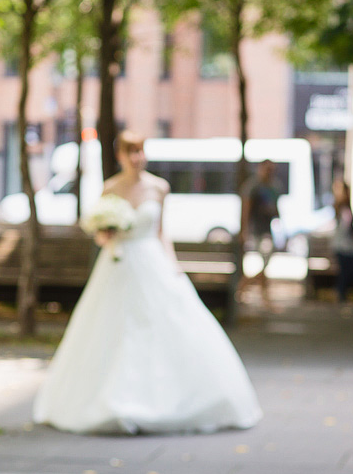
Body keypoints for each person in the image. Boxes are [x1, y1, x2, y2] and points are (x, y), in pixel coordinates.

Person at [33, 131, 262, 435]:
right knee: (112, 329)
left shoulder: (159, 187)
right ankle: (110, 400)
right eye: (131, 152)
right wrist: (107, 233)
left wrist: (173, 263)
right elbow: (101, 234)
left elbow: (161, 232)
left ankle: (174, 400)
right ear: (121, 156)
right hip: (119, 263)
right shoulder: (110, 188)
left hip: (151, 260)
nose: (137, 158)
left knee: (168, 323)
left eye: (141, 151)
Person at [238, 159, 281, 307]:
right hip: (255, 231)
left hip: (267, 230)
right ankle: (249, 291)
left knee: (264, 264)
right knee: (259, 264)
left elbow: (277, 210)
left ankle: (244, 289)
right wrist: (244, 230)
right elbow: (246, 209)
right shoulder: (253, 186)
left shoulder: (274, 186)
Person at [331, 180, 353, 304]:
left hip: (348, 246)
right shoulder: (339, 207)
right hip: (341, 246)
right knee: (346, 271)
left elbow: (351, 228)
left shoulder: (348, 208)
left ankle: (342, 292)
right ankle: (341, 293)